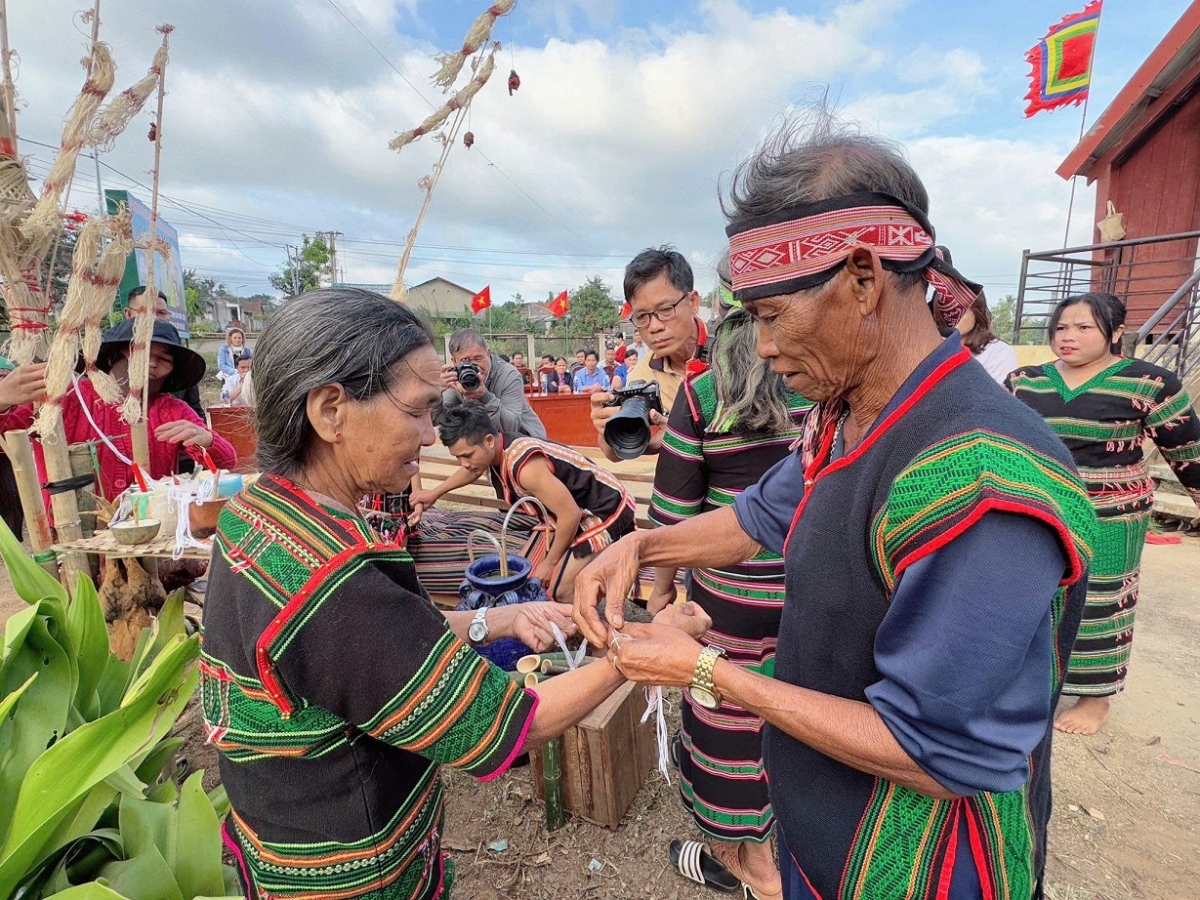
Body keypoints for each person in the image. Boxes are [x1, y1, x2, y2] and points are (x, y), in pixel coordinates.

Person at [574, 117, 1098, 900]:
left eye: (772, 316)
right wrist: (644, 551)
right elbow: (759, 516)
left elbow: (934, 753)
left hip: (922, 868)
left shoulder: (980, 477)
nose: (766, 347)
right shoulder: (854, 416)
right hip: (828, 831)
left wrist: (707, 669)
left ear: (861, 280)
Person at [200, 288, 687, 900]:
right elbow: (514, 723)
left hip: (275, 848)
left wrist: (499, 620)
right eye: (417, 412)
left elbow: (368, 650)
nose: (431, 436)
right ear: (331, 411)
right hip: (353, 879)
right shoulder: (335, 584)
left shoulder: (256, 514)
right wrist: (643, 649)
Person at [649, 306, 813, 899]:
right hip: (810, 600)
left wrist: (661, 589)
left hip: (727, 604)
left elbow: (672, 517)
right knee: (799, 713)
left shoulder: (702, 394)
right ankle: (787, 853)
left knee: (726, 720)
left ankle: (756, 871)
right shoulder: (821, 384)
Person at [1007, 292, 1200, 736]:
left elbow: (1187, 451)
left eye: (1083, 328)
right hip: (1041, 509)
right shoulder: (1025, 380)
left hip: (1111, 514)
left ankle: (1094, 698)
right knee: (1033, 595)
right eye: (1060, 328)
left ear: (1115, 334)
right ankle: (1033, 682)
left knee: (1101, 602)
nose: (1068, 337)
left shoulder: (1149, 382)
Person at [414, 403, 636, 602]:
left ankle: (592, 638)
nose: (464, 463)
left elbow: (570, 515)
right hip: (568, 512)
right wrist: (434, 493)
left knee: (561, 588)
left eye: (467, 455)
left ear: (489, 441)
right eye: (458, 457)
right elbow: (469, 472)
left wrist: (549, 564)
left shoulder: (525, 467)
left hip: (606, 510)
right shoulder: (493, 451)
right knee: (523, 571)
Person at [0, 319, 237, 500]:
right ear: (115, 354)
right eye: (142, 352)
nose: (152, 363)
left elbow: (227, 461)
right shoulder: (66, 397)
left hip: (149, 538)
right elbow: (7, 433)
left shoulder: (170, 410)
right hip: (73, 540)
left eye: (164, 359)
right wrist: (2, 399)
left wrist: (206, 440)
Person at [590, 246, 708, 462]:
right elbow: (613, 456)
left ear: (692, 302)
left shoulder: (733, 352)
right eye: (642, 316)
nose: (654, 327)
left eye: (665, 310)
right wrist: (606, 427)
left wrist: (676, 436)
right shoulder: (643, 377)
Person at [436, 327, 547, 439]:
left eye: (478, 359)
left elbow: (511, 426)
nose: (474, 367)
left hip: (526, 439)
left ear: (488, 354)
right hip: (490, 440)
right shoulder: (458, 376)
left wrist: (485, 397)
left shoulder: (509, 375)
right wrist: (437, 391)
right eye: (465, 361)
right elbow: (437, 420)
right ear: (454, 362)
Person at [930, 249, 1018, 384]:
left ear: (977, 312)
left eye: (961, 308)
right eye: (944, 309)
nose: (952, 315)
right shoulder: (929, 350)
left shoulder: (998, 353)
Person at [125, 285, 205, 418]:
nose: (154, 318)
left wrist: (200, 434)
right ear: (128, 314)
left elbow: (196, 412)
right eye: (145, 312)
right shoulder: (111, 356)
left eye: (161, 313)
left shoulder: (180, 360)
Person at [0, 357, 24, 538]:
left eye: (4, 376)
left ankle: (13, 541)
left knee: (13, 497)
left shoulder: (22, 403)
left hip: (8, 457)